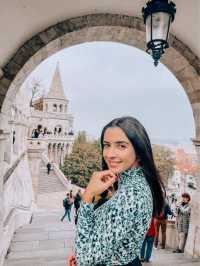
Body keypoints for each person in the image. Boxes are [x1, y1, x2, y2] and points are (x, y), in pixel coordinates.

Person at [68, 116, 165, 266]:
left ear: (139, 151)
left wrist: (88, 195)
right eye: (107, 145)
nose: (110, 154)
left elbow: (85, 259)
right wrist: (81, 252)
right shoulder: (133, 184)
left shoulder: (131, 195)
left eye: (121, 146)